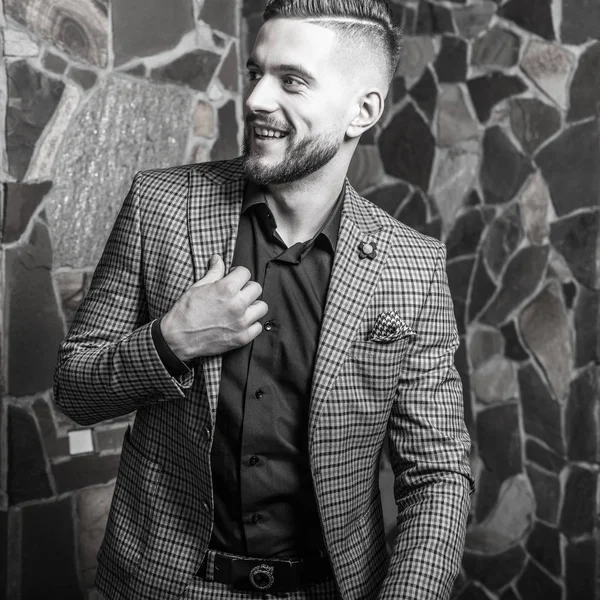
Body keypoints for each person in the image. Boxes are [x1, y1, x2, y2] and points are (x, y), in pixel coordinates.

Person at [54, 1, 474, 599]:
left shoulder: (413, 267)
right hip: (163, 586)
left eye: (292, 80)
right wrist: (171, 342)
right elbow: (75, 388)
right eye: (256, 72)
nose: (254, 99)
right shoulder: (160, 206)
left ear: (363, 111)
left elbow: (437, 474)